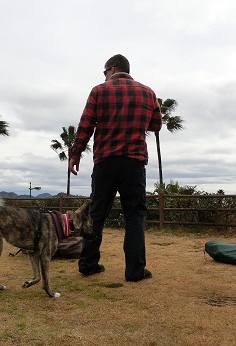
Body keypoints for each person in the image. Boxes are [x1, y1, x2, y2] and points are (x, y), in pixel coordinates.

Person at [69, 54, 162, 282]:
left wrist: (76, 153)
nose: (104, 77)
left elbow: (86, 124)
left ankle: (88, 264)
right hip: (134, 162)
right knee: (134, 216)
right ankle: (135, 272)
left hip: (105, 162)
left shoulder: (99, 91)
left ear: (111, 69)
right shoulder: (148, 93)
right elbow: (156, 124)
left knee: (97, 214)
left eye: (104, 72)